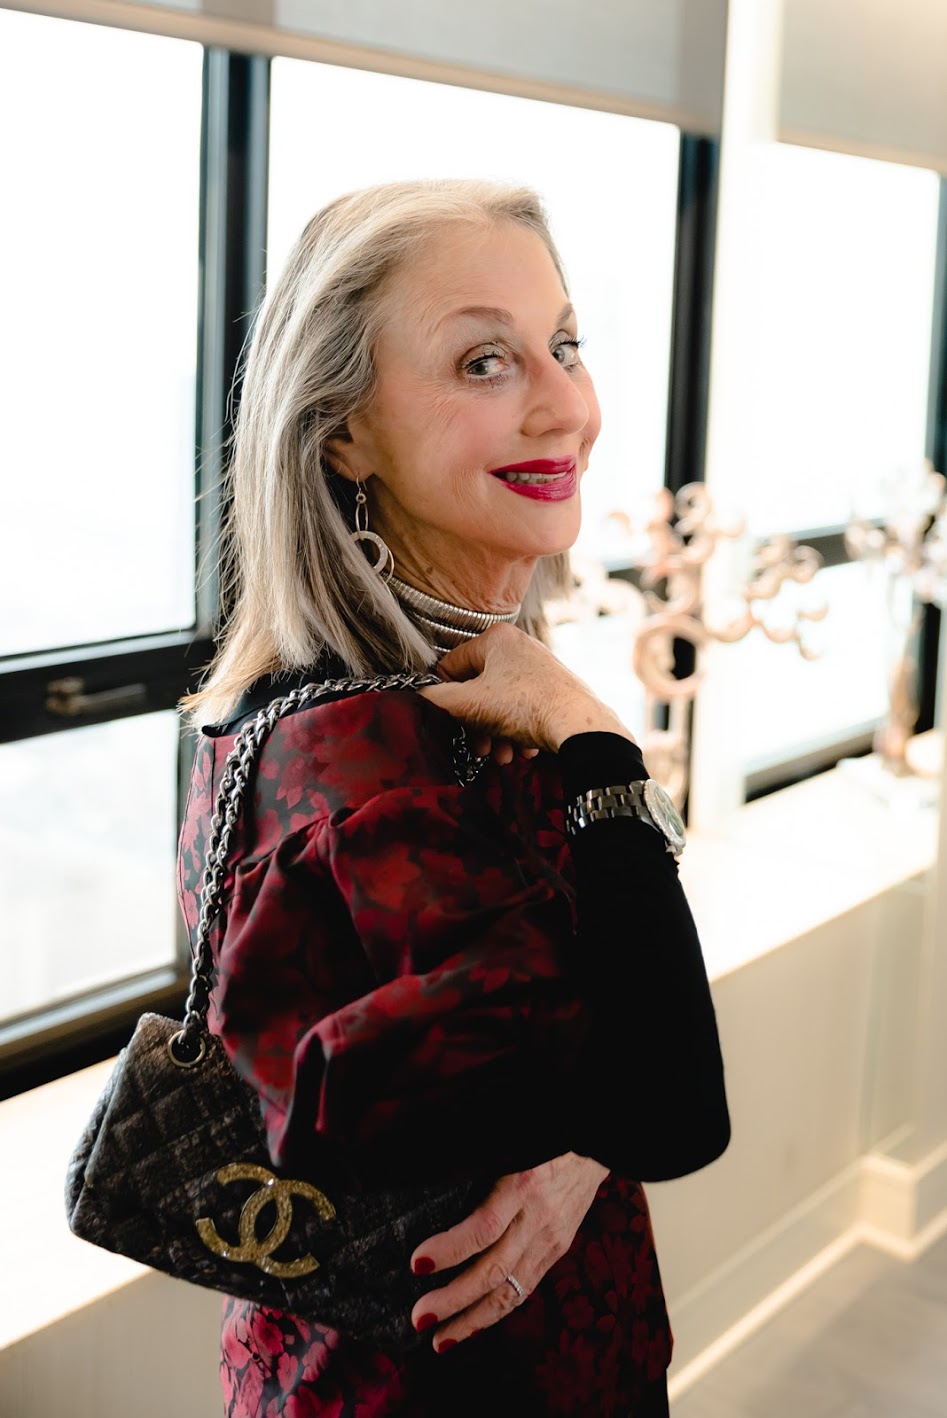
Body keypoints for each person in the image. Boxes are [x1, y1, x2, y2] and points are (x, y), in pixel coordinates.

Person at [178, 177, 730, 1418]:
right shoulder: (368, 764)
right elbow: (675, 1104)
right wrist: (599, 743)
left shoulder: (462, 692)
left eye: (565, 344)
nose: (567, 405)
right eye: (484, 360)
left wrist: (579, 1137)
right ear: (340, 432)